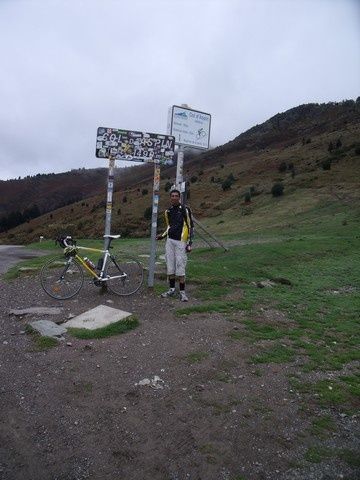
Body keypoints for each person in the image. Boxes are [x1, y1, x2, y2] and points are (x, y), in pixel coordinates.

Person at [156, 189, 194, 301]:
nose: (174, 197)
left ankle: (182, 292)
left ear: (179, 197)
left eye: (176, 196)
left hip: (181, 241)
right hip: (170, 241)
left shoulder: (185, 210)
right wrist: (162, 236)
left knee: (180, 266)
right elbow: (169, 227)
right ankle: (172, 290)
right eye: (172, 196)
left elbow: (190, 226)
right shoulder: (168, 211)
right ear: (170, 198)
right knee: (170, 266)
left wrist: (189, 243)